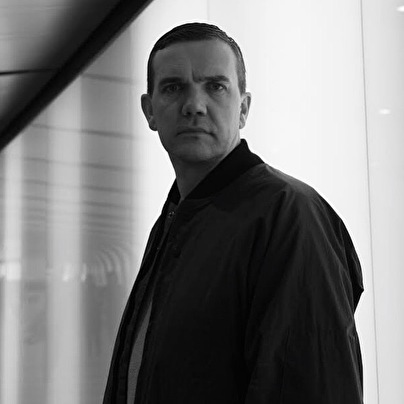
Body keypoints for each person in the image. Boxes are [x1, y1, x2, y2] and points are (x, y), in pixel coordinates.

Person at [103, 22, 364, 404]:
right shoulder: (176, 219)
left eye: (215, 86)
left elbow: (309, 385)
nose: (194, 105)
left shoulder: (288, 216)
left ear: (243, 108)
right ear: (149, 110)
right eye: (173, 87)